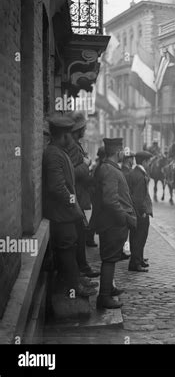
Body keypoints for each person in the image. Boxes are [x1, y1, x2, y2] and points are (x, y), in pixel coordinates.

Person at [42, 115, 96, 298]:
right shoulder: (53, 155)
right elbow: (57, 188)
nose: (72, 139)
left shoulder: (59, 151)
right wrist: (75, 207)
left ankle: (75, 283)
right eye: (69, 135)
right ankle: (74, 289)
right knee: (66, 251)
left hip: (66, 214)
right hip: (61, 214)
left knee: (70, 248)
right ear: (64, 136)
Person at [93, 138, 137, 309]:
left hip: (112, 222)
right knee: (110, 259)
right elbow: (110, 201)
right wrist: (123, 218)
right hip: (113, 223)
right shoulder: (110, 171)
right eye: (121, 151)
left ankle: (108, 288)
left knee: (111, 258)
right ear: (117, 152)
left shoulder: (108, 168)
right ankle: (104, 297)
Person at [65, 112, 99, 279]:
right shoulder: (72, 145)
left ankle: (82, 268)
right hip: (74, 197)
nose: (85, 129)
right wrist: (86, 165)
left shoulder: (75, 144)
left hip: (77, 196)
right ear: (78, 129)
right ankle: (81, 270)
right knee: (78, 236)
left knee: (80, 234)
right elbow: (69, 172)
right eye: (83, 127)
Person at [127, 151, 154, 272]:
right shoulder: (139, 175)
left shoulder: (136, 172)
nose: (150, 164)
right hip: (140, 212)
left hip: (137, 211)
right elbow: (138, 197)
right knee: (139, 237)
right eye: (149, 162)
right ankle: (135, 263)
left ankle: (139, 258)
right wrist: (142, 211)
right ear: (144, 162)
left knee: (138, 236)